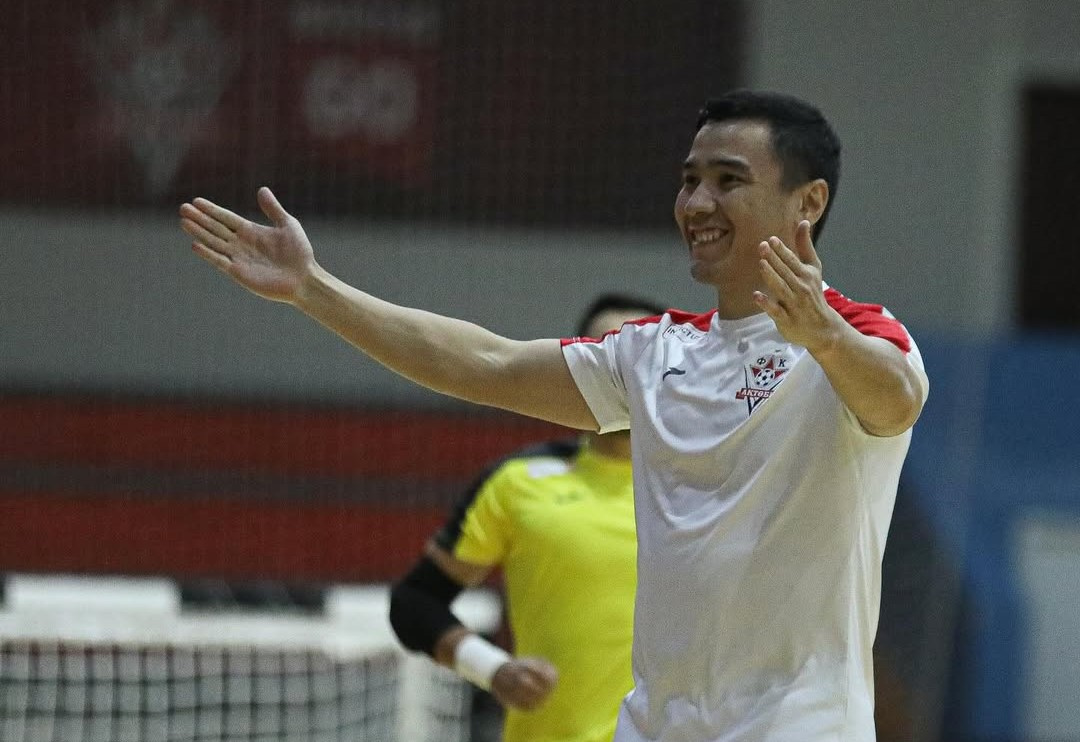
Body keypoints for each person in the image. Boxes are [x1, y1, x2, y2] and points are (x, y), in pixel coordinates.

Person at [180, 88, 928, 741]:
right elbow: (485, 363)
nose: (697, 204)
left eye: (728, 181)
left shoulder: (860, 335)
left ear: (808, 203)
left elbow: (895, 402)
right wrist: (314, 289)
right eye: (689, 180)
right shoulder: (652, 353)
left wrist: (823, 336)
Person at [388, 293, 665, 742]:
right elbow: (415, 601)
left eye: (635, 358)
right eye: (604, 358)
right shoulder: (518, 482)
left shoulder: (715, 484)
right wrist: (493, 668)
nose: (620, 376)